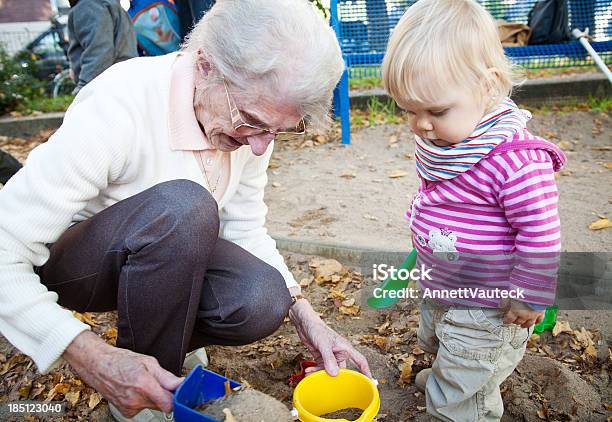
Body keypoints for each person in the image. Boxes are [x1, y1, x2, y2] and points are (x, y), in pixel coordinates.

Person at [0, 1, 371, 421]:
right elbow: (3, 250)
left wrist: (307, 318)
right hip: (77, 264)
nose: (260, 146)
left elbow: (245, 229)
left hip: (161, 250)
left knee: (263, 299)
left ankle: (158, 359)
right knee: (185, 206)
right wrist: (91, 356)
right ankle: (137, 402)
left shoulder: (251, 126)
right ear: (206, 65)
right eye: (252, 121)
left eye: (279, 131)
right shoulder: (120, 104)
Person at [382, 0, 565, 420]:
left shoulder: (515, 160)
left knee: (470, 361)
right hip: (446, 284)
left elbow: (540, 232)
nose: (421, 125)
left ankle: (463, 402)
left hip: (490, 304)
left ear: (487, 86)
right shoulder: (449, 140)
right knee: (444, 341)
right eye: (408, 110)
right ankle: (454, 377)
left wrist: (531, 293)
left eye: (436, 111)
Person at [67, 0, 138, 94]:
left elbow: (99, 53)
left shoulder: (90, 5)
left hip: (106, 91)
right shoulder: (104, 3)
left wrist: (84, 91)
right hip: (120, 87)